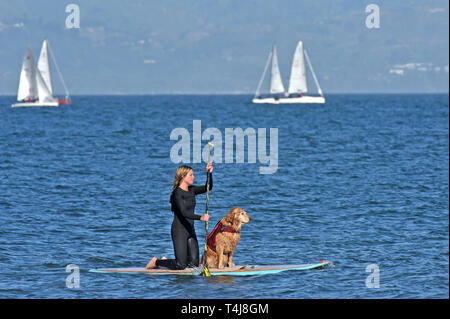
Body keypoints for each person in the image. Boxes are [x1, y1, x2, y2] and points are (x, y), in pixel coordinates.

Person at [146, 163, 213, 269]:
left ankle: (166, 260)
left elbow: (208, 188)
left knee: (194, 265)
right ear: (183, 176)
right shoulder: (177, 193)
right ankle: (157, 262)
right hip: (179, 231)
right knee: (181, 265)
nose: (193, 177)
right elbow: (183, 213)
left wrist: (209, 173)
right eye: (190, 175)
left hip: (190, 230)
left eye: (193, 174)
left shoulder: (192, 190)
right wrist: (201, 218)